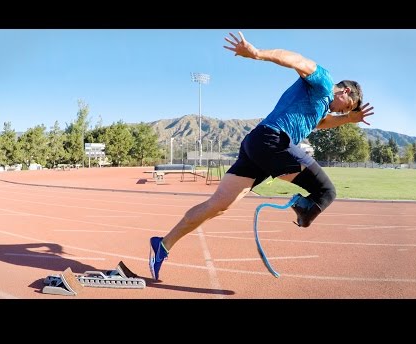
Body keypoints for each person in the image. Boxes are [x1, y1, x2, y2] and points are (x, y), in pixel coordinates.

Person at [149, 31, 375, 280]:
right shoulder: (323, 81)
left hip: (257, 145)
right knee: (326, 192)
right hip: (272, 141)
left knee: (218, 206)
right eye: (349, 107)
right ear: (345, 92)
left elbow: (322, 123)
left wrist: (348, 120)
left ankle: (163, 244)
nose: (344, 110)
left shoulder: (319, 106)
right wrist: (257, 54)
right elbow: (294, 59)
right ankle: (301, 207)